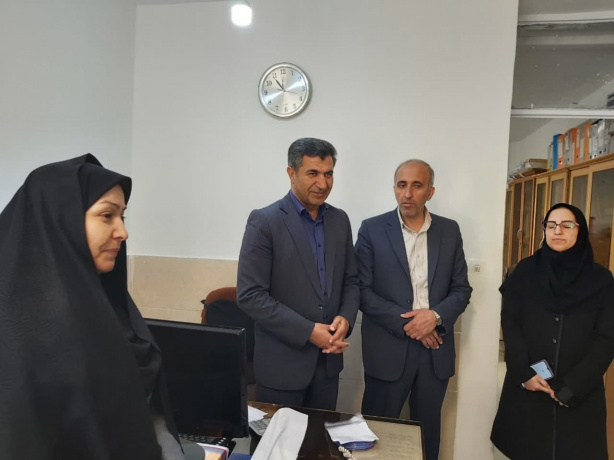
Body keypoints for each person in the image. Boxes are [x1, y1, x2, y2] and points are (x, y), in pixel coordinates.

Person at [0, 155, 184, 460]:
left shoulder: (107, 304)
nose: (122, 232)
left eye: (122, 217)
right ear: (61, 218)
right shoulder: (17, 329)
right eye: (107, 215)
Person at [355, 159, 471, 460]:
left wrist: (434, 317)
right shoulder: (372, 229)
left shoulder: (449, 230)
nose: (407, 193)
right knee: (377, 436)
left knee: (426, 437)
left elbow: (461, 289)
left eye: (417, 185)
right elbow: (361, 291)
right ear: (394, 188)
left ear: (430, 192)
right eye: (401, 185)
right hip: (388, 350)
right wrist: (414, 325)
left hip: (435, 352)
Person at [237, 138, 360, 410]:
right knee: (280, 438)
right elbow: (250, 296)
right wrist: (308, 331)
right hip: (281, 368)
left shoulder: (340, 220)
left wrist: (346, 318)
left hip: (328, 365)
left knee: (320, 437)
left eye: (328, 174)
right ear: (291, 173)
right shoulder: (265, 221)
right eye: (313, 173)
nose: (323, 183)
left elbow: (351, 281)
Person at [491, 203, 614, 460]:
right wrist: (523, 374)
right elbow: (511, 325)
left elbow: (607, 338)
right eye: (551, 225)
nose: (558, 231)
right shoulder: (524, 273)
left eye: (567, 225)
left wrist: (574, 386)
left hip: (580, 394)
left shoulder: (602, 281)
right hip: (530, 387)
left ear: (580, 231)